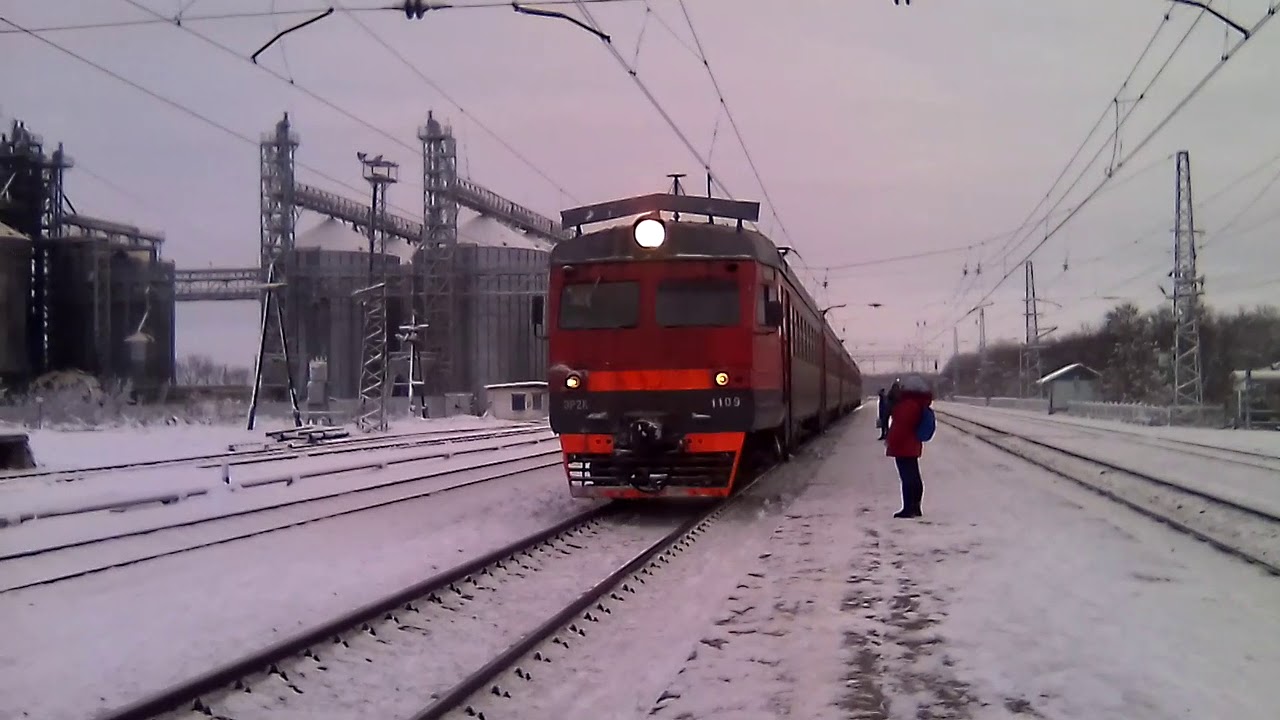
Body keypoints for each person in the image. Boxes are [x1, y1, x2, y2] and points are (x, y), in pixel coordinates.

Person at [884, 373, 933, 518]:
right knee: (913, 477)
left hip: (904, 446)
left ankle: (909, 508)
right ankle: (915, 507)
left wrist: (891, 441)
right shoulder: (918, 403)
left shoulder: (908, 405)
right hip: (912, 445)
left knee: (908, 478)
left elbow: (900, 426)